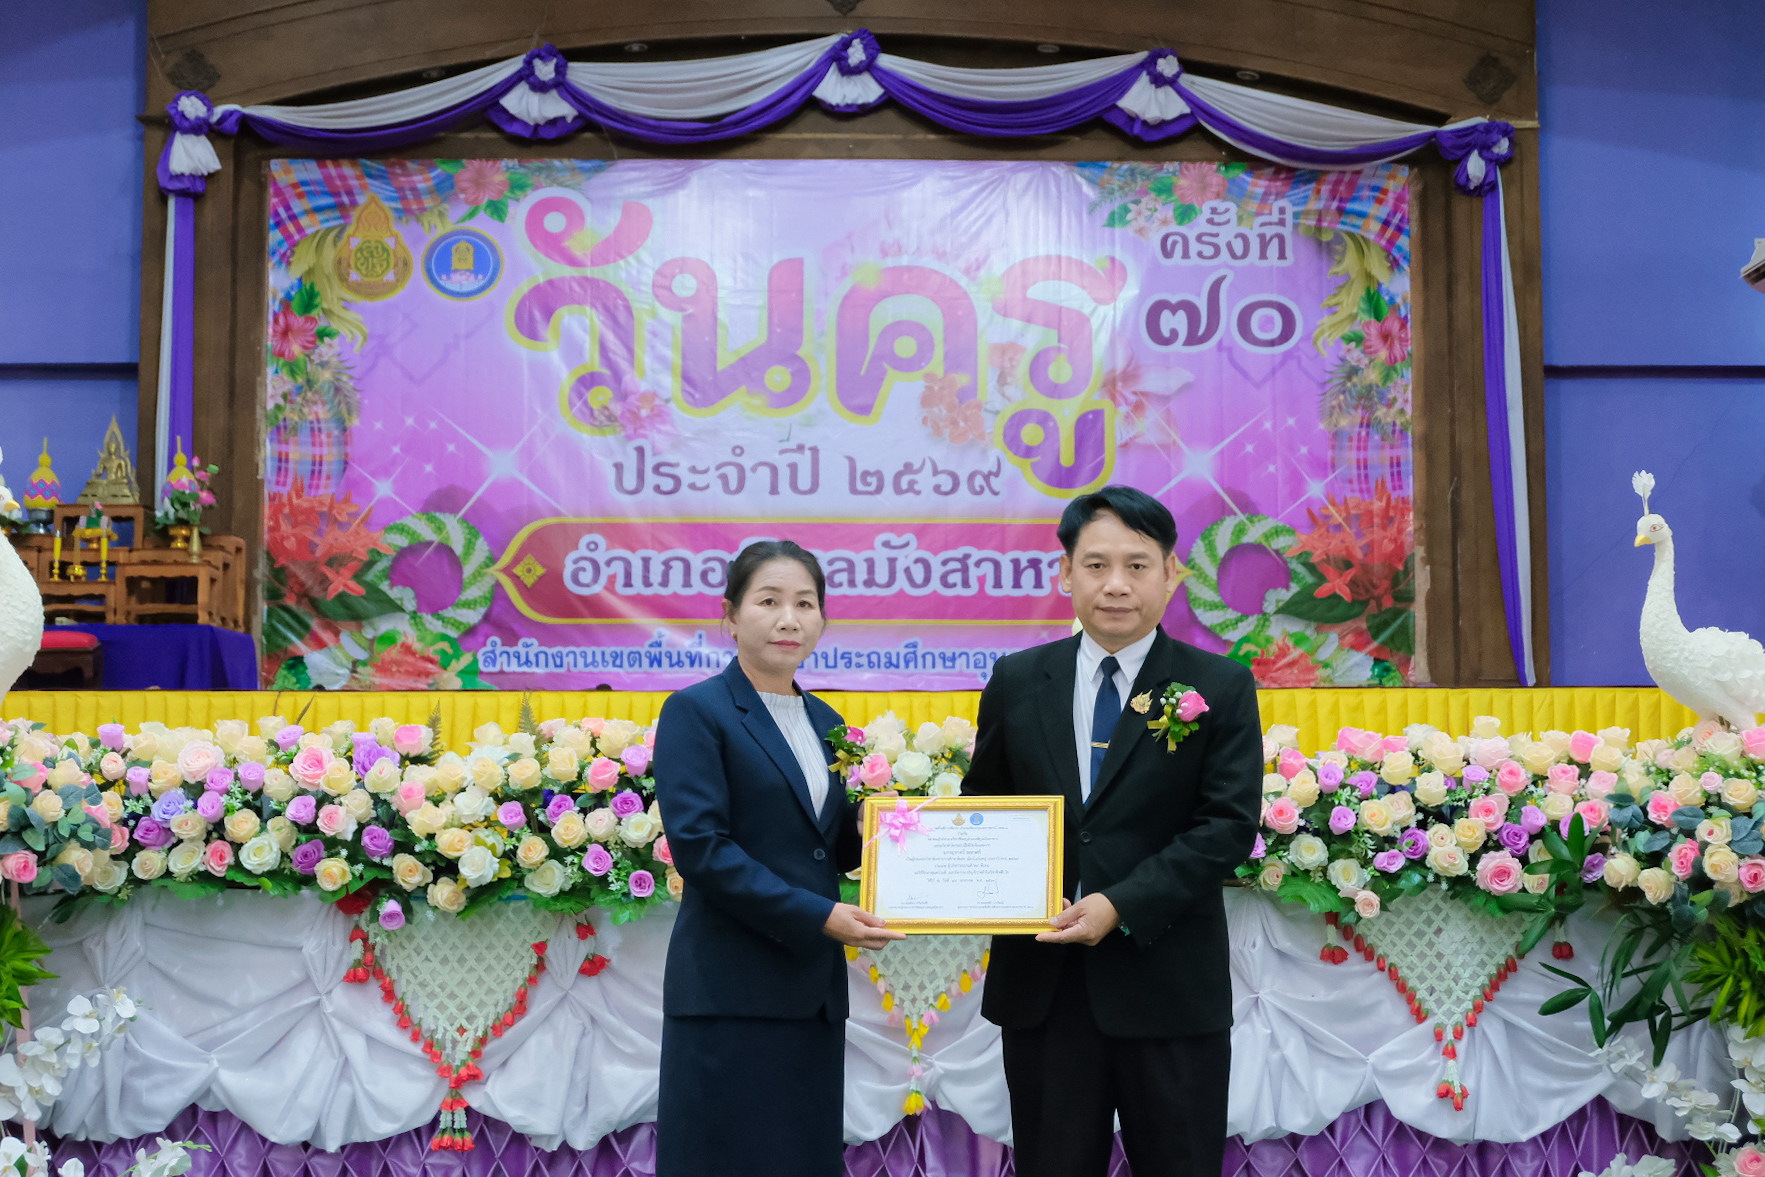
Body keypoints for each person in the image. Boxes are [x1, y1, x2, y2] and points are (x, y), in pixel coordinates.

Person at [962, 485, 1262, 1177]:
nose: (1116, 584)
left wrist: (1119, 904)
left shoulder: (1218, 684)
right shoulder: (1016, 680)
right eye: (1095, 565)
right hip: (1045, 989)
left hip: (1167, 984)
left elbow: (1226, 827)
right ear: (1065, 574)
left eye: (1136, 564)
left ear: (1171, 573)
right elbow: (986, 804)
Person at [653, 539, 905, 1177]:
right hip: (729, 990)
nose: (788, 619)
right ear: (731, 615)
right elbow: (702, 850)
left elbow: (826, 845)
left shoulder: (826, 720)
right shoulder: (696, 711)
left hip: (810, 992)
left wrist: (881, 828)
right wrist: (821, 916)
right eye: (768, 601)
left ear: (822, 618)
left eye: (805, 604)